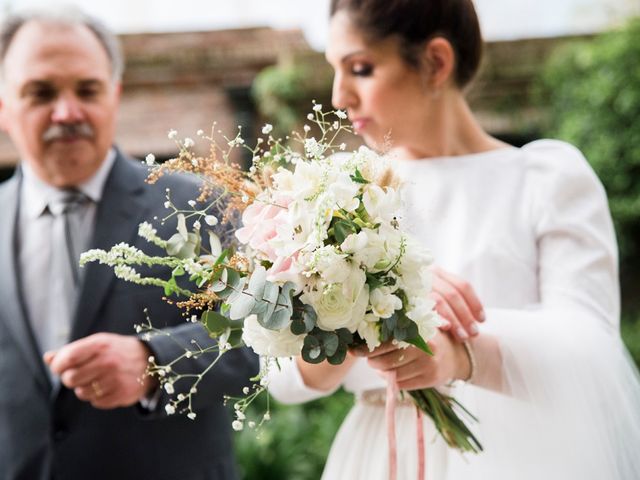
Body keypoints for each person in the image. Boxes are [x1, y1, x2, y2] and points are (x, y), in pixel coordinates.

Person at [267, 1, 640, 478]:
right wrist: (351, 323)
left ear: (436, 61)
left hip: (519, 455)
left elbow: (591, 348)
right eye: (334, 70)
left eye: (360, 68)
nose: (339, 95)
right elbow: (283, 379)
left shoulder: (545, 179)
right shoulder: (341, 194)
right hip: (382, 455)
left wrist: (461, 355)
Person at [0, 7, 257, 480]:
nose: (67, 111)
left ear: (114, 95)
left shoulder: (201, 203)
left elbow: (265, 337)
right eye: (40, 92)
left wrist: (156, 361)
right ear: (3, 107)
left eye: (87, 89)